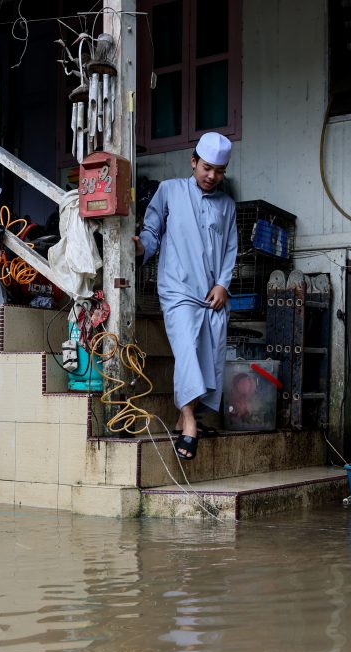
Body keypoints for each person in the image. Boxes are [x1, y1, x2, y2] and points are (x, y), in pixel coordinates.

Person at [134, 132, 237, 460]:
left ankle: (183, 417)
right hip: (177, 289)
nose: (212, 176)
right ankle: (190, 421)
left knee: (209, 355)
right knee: (188, 351)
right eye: (207, 167)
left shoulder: (227, 205)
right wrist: (139, 247)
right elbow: (151, 231)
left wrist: (223, 284)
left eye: (219, 171)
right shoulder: (169, 191)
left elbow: (231, 247)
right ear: (193, 162)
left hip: (212, 295)